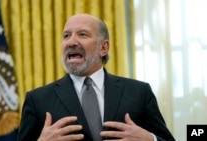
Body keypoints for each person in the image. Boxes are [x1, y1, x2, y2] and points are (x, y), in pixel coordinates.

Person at [17, 13, 175, 141]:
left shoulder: (139, 92)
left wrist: (150, 139)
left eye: (82, 34)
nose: (71, 42)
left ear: (103, 47)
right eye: (66, 36)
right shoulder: (37, 100)